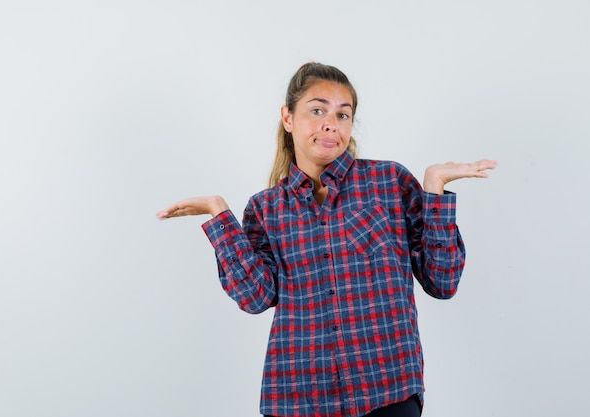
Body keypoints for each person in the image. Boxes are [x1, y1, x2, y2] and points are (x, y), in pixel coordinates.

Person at [156, 62, 497, 417]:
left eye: (342, 114)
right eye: (317, 110)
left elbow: (442, 282)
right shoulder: (265, 208)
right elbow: (255, 298)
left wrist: (435, 189)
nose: (331, 123)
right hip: (298, 397)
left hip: (387, 389)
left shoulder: (389, 182)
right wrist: (219, 213)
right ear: (288, 117)